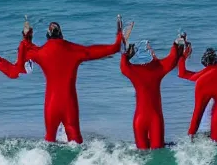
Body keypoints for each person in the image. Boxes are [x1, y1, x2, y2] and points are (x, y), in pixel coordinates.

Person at [18, 15, 132, 143]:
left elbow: (25, 51)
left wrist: (27, 36)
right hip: (69, 104)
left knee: (49, 140)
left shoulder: (40, 53)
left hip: (51, 105)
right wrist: (118, 40)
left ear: (48, 36)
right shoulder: (74, 50)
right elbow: (99, 51)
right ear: (61, 35)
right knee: (76, 142)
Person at [119, 34, 183, 149]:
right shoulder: (159, 68)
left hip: (139, 119)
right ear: (151, 55)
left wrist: (126, 55)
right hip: (155, 119)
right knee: (158, 153)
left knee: (142, 155)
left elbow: (123, 66)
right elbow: (173, 59)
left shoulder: (132, 70)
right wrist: (176, 44)